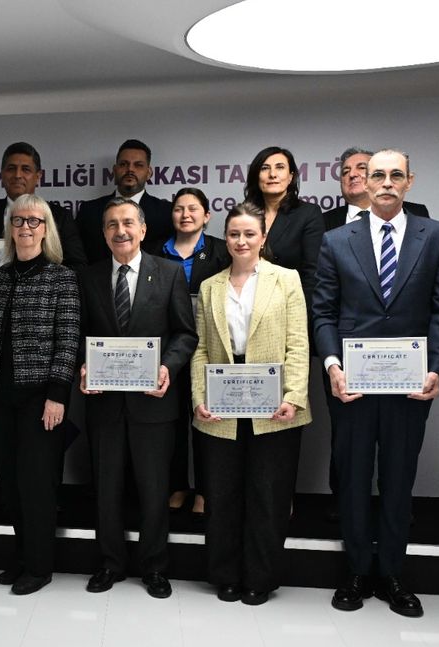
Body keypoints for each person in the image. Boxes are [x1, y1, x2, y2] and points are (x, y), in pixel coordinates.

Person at [314, 149, 439, 617]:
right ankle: (357, 571)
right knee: (353, 479)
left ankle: (393, 573)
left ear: (409, 181)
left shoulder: (438, 236)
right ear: (365, 181)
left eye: (396, 175)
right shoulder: (336, 240)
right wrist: (332, 365)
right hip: (352, 384)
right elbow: (323, 312)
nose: (386, 182)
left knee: (398, 480)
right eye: (378, 175)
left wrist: (437, 367)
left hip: (410, 385)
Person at [191, 203, 311, 604]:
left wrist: (294, 395)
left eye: (249, 234)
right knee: (222, 494)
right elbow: (200, 350)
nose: (241, 241)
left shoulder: (286, 279)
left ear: (263, 238)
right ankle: (225, 575)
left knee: (268, 495)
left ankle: (260, 577)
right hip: (221, 401)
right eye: (233, 234)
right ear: (225, 238)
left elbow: (298, 343)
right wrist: (199, 397)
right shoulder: (210, 285)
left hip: (274, 402)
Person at [79, 197, 197, 599]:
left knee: (154, 490)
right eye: (112, 224)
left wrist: (167, 367)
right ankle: (109, 563)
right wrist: (83, 367)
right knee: (106, 489)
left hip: (154, 402)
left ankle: (155, 566)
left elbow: (185, 334)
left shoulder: (169, 273)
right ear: (103, 233)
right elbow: (79, 334)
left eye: (128, 222)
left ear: (143, 229)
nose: (121, 231)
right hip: (104, 403)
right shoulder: (88, 277)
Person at [0, 194, 79, 595]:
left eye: (34, 221)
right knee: (10, 481)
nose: (26, 228)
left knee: (36, 484)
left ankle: (39, 565)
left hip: (40, 399)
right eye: (18, 221)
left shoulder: (61, 277)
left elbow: (68, 339)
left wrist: (58, 395)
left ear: (46, 229)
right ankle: (21, 555)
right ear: (10, 229)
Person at [148, 187, 228, 516]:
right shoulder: (154, 250)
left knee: (207, 421)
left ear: (207, 216)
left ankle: (206, 490)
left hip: (210, 348)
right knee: (173, 422)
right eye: (179, 208)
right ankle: (177, 485)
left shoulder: (222, 251)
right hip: (168, 350)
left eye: (193, 208)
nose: (185, 214)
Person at [0, 142, 87, 266]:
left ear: (38, 176)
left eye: (26, 169)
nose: (17, 175)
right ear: (2, 174)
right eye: (11, 169)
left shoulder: (60, 217)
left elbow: (77, 265)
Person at [243, 146, 324, 309]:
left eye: (280, 167)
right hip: (246, 305)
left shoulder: (308, 213)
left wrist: (301, 314)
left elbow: (312, 273)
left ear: (290, 177)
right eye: (265, 168)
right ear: (256, 176)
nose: (272, 174)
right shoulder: (243, 214)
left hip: (289, 307)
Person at [76, 139, 172, 265]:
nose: (130, 169)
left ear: (149, 173)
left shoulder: (166, 212)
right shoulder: (89, 211)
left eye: (138, 165)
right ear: (114, 170)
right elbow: (78, 259)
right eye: (123, 164)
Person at [322, 147, 429, 231]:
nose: (352, 174)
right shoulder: (324, 221)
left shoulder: (416, 212)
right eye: (345, 172)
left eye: (362, 168)